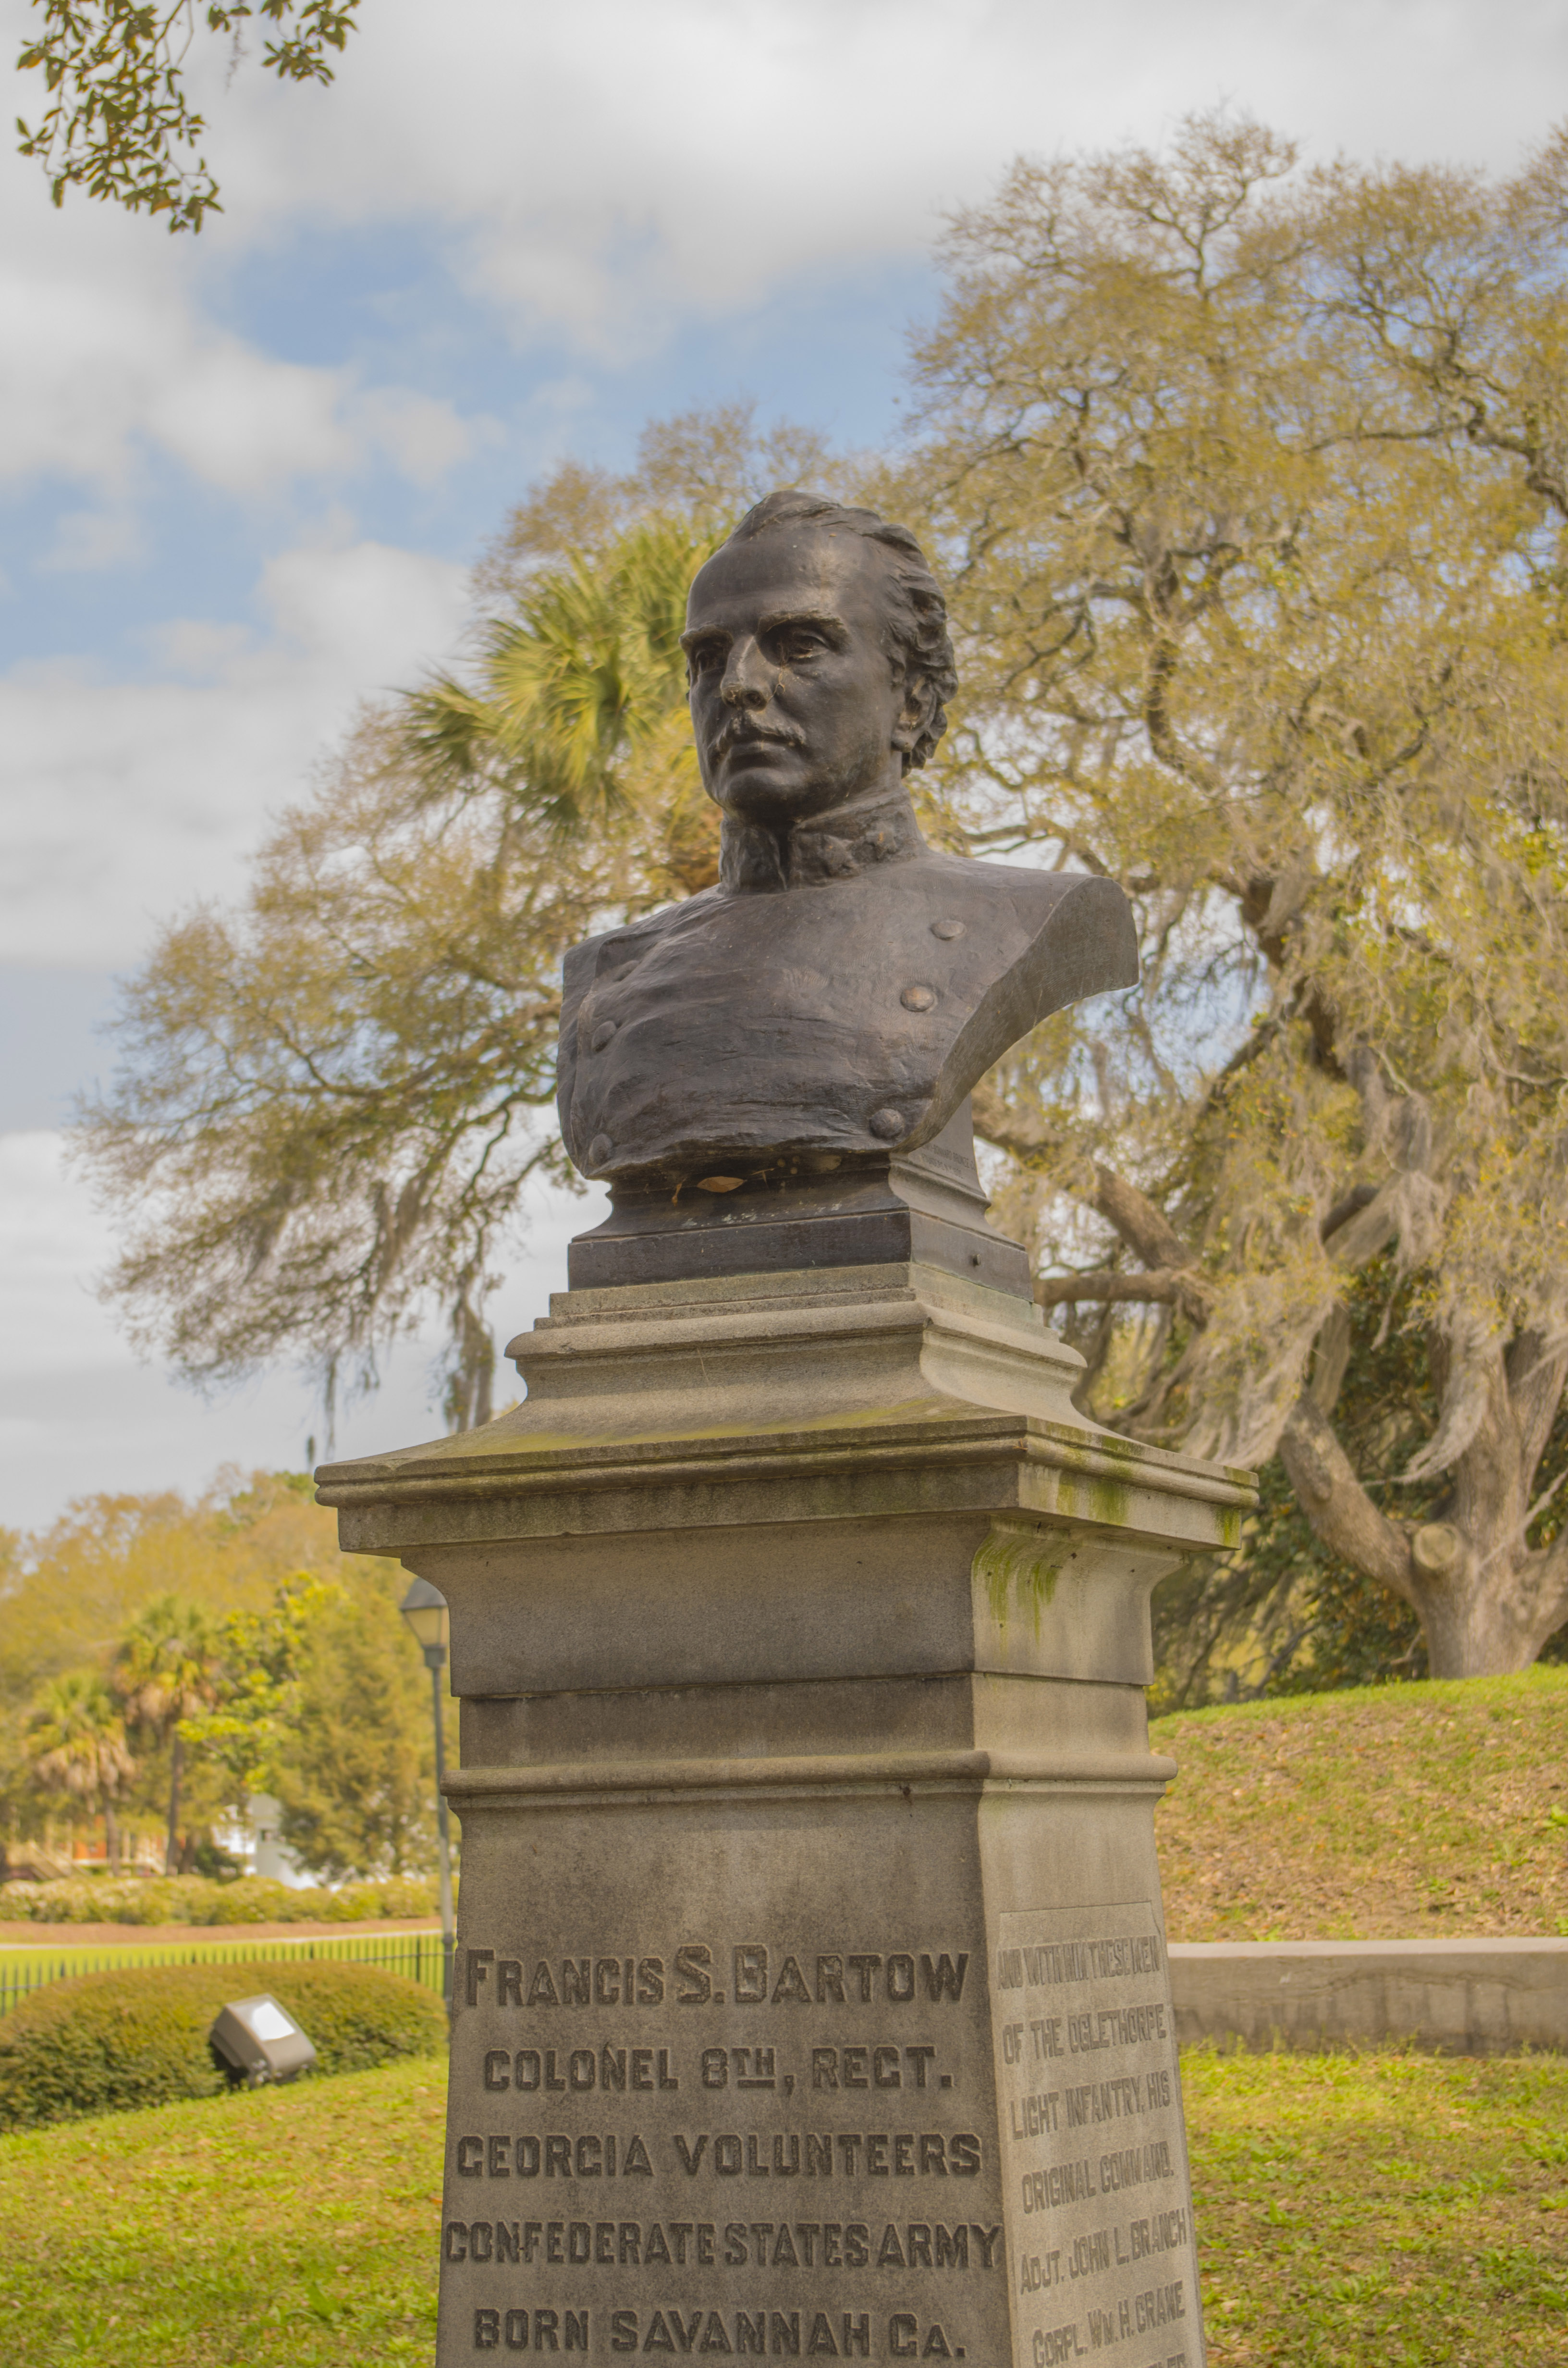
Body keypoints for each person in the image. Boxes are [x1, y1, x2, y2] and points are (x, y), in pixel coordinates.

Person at [556, 490, 1135, 1184]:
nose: (738, 685)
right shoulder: (610, 971)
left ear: (912, 700)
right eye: (709, 658)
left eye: (800, 646)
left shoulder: (1028, 917)